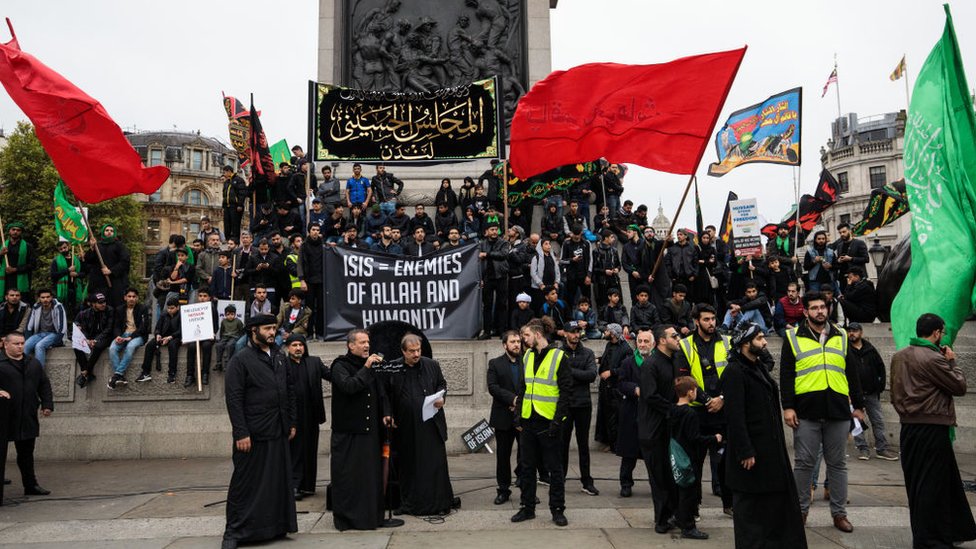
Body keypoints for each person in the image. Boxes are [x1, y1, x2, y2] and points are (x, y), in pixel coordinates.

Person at [781, 292, 865, 532]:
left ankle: (839, 514)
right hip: (806, 412)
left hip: (838, 411)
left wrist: (858, 405)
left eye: (823, 307)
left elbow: (852, 373)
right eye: (814, 308)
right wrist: (787, 407)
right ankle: (801, 511)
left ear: (828, 309)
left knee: (837, 464)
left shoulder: (841, 336)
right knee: (804, 464)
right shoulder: (793, 336)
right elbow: (786, 376)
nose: (820, 311)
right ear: (805, 312)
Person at [890, 313, 976, 548]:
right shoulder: (933, 358)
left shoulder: (899, 356)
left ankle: (952, 530)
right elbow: (959, 386)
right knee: (932, 484)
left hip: (909, 426)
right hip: (932, 427)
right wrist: (952, 361)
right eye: (943, 332)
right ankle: (931, 539)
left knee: (928, 482)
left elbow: (894, 392)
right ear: (936, 333)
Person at [722, 323, 807, 548]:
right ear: (745, 343)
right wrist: (745, 450)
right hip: (750, 455)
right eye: (759, 338)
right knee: (750, 511)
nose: (765, 341)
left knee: (772, 508)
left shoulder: (757, 366)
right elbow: (735, 417)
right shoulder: (734, 371)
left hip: (769, 451)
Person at [221, 314, 297, 549]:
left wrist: (291, 422)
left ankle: (274, 527)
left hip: (278, 429)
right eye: (267, 328)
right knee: (245, 484)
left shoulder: (279, 356)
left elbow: (289, 390)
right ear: (253, 330)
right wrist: (241, 433)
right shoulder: (240, 360)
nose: (272, 332)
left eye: (274, 328)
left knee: (277, 482)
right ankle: (234, 532)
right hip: (253, 433)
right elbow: (234, 399)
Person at [330, 329, 398, 531]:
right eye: (362, 342)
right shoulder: (339, 365)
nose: (367, 345)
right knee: (349, 477)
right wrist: (367, 367)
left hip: (370, 432)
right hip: (349, 432)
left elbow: (381, 393)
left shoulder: (371, 366)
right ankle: (348, 519)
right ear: (351, 345)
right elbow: (349, 386)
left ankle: (370, 517)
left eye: (368, 342)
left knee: (369, 477)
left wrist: (386, 412)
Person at [384, 334, 458, 515]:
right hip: (406, 427)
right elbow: (385, 393)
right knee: (408, 466)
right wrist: (388, 413)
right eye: (412, 351)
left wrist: (442, 398)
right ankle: (408, 504)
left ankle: (440, 504)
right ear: (403, 352)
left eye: (418, 350)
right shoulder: (392, 367)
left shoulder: (431, 365)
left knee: (434, 465)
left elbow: (442, 384)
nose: (416, 354)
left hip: (431, 425)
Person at [512, 317, 572, 527]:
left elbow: (566, 392)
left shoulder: (559, 356)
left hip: (549, 422)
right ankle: (527, 508)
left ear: (538, 334)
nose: (523, 340)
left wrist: (557, 421)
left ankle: (557, 510)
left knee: (554, 469)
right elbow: (523, 387)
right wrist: (518, 414)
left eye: (526, 336)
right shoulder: (527, 355)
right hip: (529, 420)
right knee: (527, 467)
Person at [674, 303, 734, 513]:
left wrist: (723, 398)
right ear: (696, 321)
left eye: (713, 319)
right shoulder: (685, 345)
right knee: (695, 462)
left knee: (725, 461)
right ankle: (694, 506)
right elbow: (683, 378)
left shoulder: (727, 342)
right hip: (697, 412)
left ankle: (729, 504)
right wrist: (709, 399)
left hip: (723, 409)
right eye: (706, 319)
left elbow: (736, 374)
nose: (711, 323)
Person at [0, 332, 53, 497]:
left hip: (27, 414)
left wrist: (47, 404)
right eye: (16, 344)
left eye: (22, 343)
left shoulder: (33, 363)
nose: (20, 346)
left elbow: (44, 384)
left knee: (26, 453)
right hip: (4, 416)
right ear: (5, 345)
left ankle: (30, 485)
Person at [639, 324, 680, 534]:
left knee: (670, 474)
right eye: (674, 336)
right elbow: (651, 396)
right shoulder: (651, 364)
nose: (678, 338)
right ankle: (661, 520)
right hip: (652, 430)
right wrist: (674, 409)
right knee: (659, 477)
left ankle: (673, 514)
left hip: (667, 427)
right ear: (662, 340)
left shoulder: (672, 361)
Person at [670, 376, 722, 540]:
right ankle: (688, 526)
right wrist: (715, 438)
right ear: (690, 392)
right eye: (696, 390)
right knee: (690, 492)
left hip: (676, 454)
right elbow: (695, 438)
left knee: (681, 490)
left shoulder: (672, 410)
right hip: (689, 457)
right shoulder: (690, 413)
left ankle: (679, 517)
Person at [281, 334, 330, 499]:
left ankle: (308, 486)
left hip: (311, 415)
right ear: (288, 348)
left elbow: (333, 375)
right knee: (295, 452)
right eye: (294, 345)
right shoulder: (282, 364)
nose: (298, 348)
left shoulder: (314, 362)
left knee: (309, 450)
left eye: (300, 345)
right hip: (292, 417)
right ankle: (294, 485)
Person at [559, 321, 599, 496]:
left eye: (578, 332)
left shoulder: (588, 352)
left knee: (583, 445)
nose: (576, 335)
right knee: (562, 444)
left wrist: (569, 371)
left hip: (583, 405)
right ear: (565, 334)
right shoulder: (558, 353)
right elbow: (556, 376)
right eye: (573, 332)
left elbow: (591, 375)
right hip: (565, 404)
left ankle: (586, 481)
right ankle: (560, 479)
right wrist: (576, 373)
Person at [846, 323, 897, 461]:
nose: (852, 333)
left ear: (861, 333)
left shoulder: (870, 349)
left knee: (878, 421)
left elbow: (881, 368)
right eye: (849, 331)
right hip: (854, 394)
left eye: (854, 331)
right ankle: (863, 449)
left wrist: (879, 386)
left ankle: (882, 448)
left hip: (871, 393)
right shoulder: (846, 350)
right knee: (858, 423)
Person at [615, 327, 653, 498]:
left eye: (646, 341)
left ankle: (656, 483)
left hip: (651, 414)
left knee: (653, 453)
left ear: (653, 344)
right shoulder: (628, 362)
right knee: (629, 453)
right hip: (631, 411)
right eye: (640, 341)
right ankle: (626, 483)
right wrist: (634, 389)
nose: (642, 344)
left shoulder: (658, 361)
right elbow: (621, 383)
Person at [487, 331, 524, 504]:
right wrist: (513, 399)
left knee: (526, 455)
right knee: (503, 456)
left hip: (524, 416)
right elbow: (493, 387)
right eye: (513, 342)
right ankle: (503, 490)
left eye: (518, 341)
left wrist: (520, 403)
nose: (517, 344)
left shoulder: (528, 361)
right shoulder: (495, 363)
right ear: (504, 345)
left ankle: (526, 488)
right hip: (503, 417)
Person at [107, 288, 151, 389]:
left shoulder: (143, 308)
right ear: (125, 298)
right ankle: (120, 376)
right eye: (129, 296)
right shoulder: (119, 309)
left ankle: (117, 375)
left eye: (134, 297)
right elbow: (116, 326)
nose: (131, 299)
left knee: (130, 347)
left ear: (137, 298)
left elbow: (144, 327)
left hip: (138, 336)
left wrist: (131, 337)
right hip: (123, 335)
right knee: (112, 349)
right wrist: (118, 336)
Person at [595, 323, 629, 452]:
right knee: (606, 416)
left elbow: (626, 368)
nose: (605, 332)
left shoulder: (625, 349)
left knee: (615, 418)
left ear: (613, 333)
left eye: (608, 331)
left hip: (615, 389)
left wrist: (611, 372)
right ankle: (609, 442)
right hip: (606, 388)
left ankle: (616, 446)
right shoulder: (609, 345)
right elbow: (606, 359)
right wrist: (597, 360)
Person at [73, 292, 114, 388]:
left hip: (105, 337)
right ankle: (86, 372)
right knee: (77, 345)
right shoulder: (84, 313)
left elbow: (109, 329)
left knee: (98, 346)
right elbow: (76, 324)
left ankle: (85, 373)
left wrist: (95, 340)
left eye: (104, 302)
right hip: (90, 338)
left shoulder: (110, 310)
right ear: (92, 304)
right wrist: (86, 339)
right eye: (100, 302)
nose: (103, 304)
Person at [136, 297, 182, 384]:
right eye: (168, 308)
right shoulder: (164, 315)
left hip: (175, 337)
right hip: (163, 337)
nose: (170, 310)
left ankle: (172, 374)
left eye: (172, 308)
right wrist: (158, 335)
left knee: (173, 346)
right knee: (150, 345)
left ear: (177, 307)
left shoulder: (181, 315)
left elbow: (181, 330)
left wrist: (170, 337)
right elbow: (157, 328)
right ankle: (145, 373)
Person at [84, 224, 130, 307]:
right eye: (107, 230)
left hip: (115, 283)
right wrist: (92, 248)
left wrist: (111, 271)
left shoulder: (119, 246)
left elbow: (125, 261)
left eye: (111, 231)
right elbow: (88, 261)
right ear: (103, 232)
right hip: (99, 283)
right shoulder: (97, 246)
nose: (109, 232)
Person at [478, 224, 510, 339]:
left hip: (501, 276)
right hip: (487, 277)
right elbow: (478, 262)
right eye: (492, 230)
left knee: (502, 304)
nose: (494, 232)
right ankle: (487, 331)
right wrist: (480, 278)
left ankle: (502, 331)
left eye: (496, 229)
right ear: (487, 231)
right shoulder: (482, 244)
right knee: (487, 305)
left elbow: (504, 254)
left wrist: (487, 254)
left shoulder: (504, 243)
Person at [24, 289, 67, 368]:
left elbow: (63, 327)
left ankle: (39, 374)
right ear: (39, 298)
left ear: (51, 297)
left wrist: (57, 342)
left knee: (39, 346)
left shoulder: (58, 307)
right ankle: (19, 370)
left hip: (54, 334)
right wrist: (28, 338)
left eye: (48, 297)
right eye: (43, 297)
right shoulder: (36, 307)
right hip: (39, 334)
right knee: (26, 345)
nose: (45, 299)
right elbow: (29, 326)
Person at [185, 288, 219, 387]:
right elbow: (188, 324)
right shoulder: (193, 308)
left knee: (206, 346)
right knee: (191, 347)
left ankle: (205, 373)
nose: (202, 298)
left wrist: (213, 333)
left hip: (207, 336)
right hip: (195, 335)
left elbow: (216, 325)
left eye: (205, 296)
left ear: (209, 298)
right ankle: (190, 375)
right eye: (200, 296)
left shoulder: (212, 308)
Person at [0, 221, 37, 304]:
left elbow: (33, 265)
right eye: (13, 229)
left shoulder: (28, 247)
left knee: (22, 304)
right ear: (9, 231)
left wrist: (15, 269)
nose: (15, 232)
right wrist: (0, 254)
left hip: (21, 280)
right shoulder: (2, 246)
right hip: (5, 280)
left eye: (18, 230)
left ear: (21, 232)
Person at [50, 240, 86, 321]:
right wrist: (68, 270)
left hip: (76, 289)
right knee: (64, 312)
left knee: (76, 311)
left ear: (69, 247)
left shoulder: (76, 259)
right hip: (62, 290)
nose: (63, 250)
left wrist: (76, 274)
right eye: (61, 249)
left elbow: (84, 274)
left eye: (65, 247)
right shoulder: (56, 261)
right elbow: (53, 275)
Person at [560, 225, 592, 307]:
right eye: (575, 234)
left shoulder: (586, 243)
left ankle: (589, 317)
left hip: (584, 275)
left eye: (578, 234)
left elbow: (590, 260)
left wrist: (589, 275)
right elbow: (561, 261)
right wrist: (572, 260)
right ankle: (569, 317)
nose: (577, 236)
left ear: (581, 233)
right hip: (571, 276)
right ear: (572, 233)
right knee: (570, 300)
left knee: (587, 299)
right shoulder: (566, 244)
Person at [831, 223, 868, 293]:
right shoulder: (839, 246)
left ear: (850, 231)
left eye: (844, 232)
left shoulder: (859, 243)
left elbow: (866, 259)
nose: (842, 234)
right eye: (840, 233)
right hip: (843, 279)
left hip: (857, 278)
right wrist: (838, 261)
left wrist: (851, 259)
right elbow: (838, 263)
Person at [591, 229, 621, 311]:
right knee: (602, 304)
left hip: (614, 281)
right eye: (611, 237)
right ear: (606, 238)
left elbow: (619, 265)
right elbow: (594, 268)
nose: (614, 239)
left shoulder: (614, 250)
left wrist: (617, 269)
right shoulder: (596, 251)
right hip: (601, 282)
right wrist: (604, 271)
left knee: (617, 303)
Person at [221, 166, 249, 241]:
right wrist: (223, 207)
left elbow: (242, 193)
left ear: (229, 171)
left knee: (235, 225)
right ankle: (228, 241)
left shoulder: (239, 180)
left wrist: (240, 204)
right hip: (227, 206)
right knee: (227, 225)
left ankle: (235, 241)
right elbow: (224, 195)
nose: (224, 174)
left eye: (224, 172)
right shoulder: (226, 182)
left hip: (235, 206)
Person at [215, 304, 245, 373]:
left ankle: (227, 364)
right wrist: (220, 339)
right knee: (218, 345)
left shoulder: (238, 321)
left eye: (232, 314)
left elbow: (241, 331)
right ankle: (219, 363)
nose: (230, 316)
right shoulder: (224, 321)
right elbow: (222, 331)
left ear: (235, 314)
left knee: (229, 345)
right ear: (225, 315)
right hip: (225, 337)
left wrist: (239, 339)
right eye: (228, 314)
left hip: (234, 337)